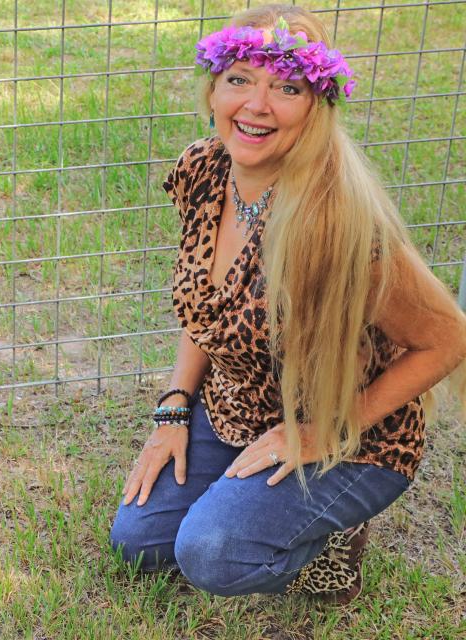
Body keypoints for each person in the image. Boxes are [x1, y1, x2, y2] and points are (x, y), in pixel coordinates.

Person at [109, 4, 466, 604]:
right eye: (240, 80)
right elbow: (208, 307)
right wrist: (173, 409)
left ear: (317, 106)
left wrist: (327, 429)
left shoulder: (343, 222)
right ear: (214, 88)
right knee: (138, 544)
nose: (256, 105)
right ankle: (249, 498)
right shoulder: (203, 169)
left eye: (287, 87)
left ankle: (336, 531)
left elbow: (449, 338)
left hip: (351, 430)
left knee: (212, 554)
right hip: (235, 411)